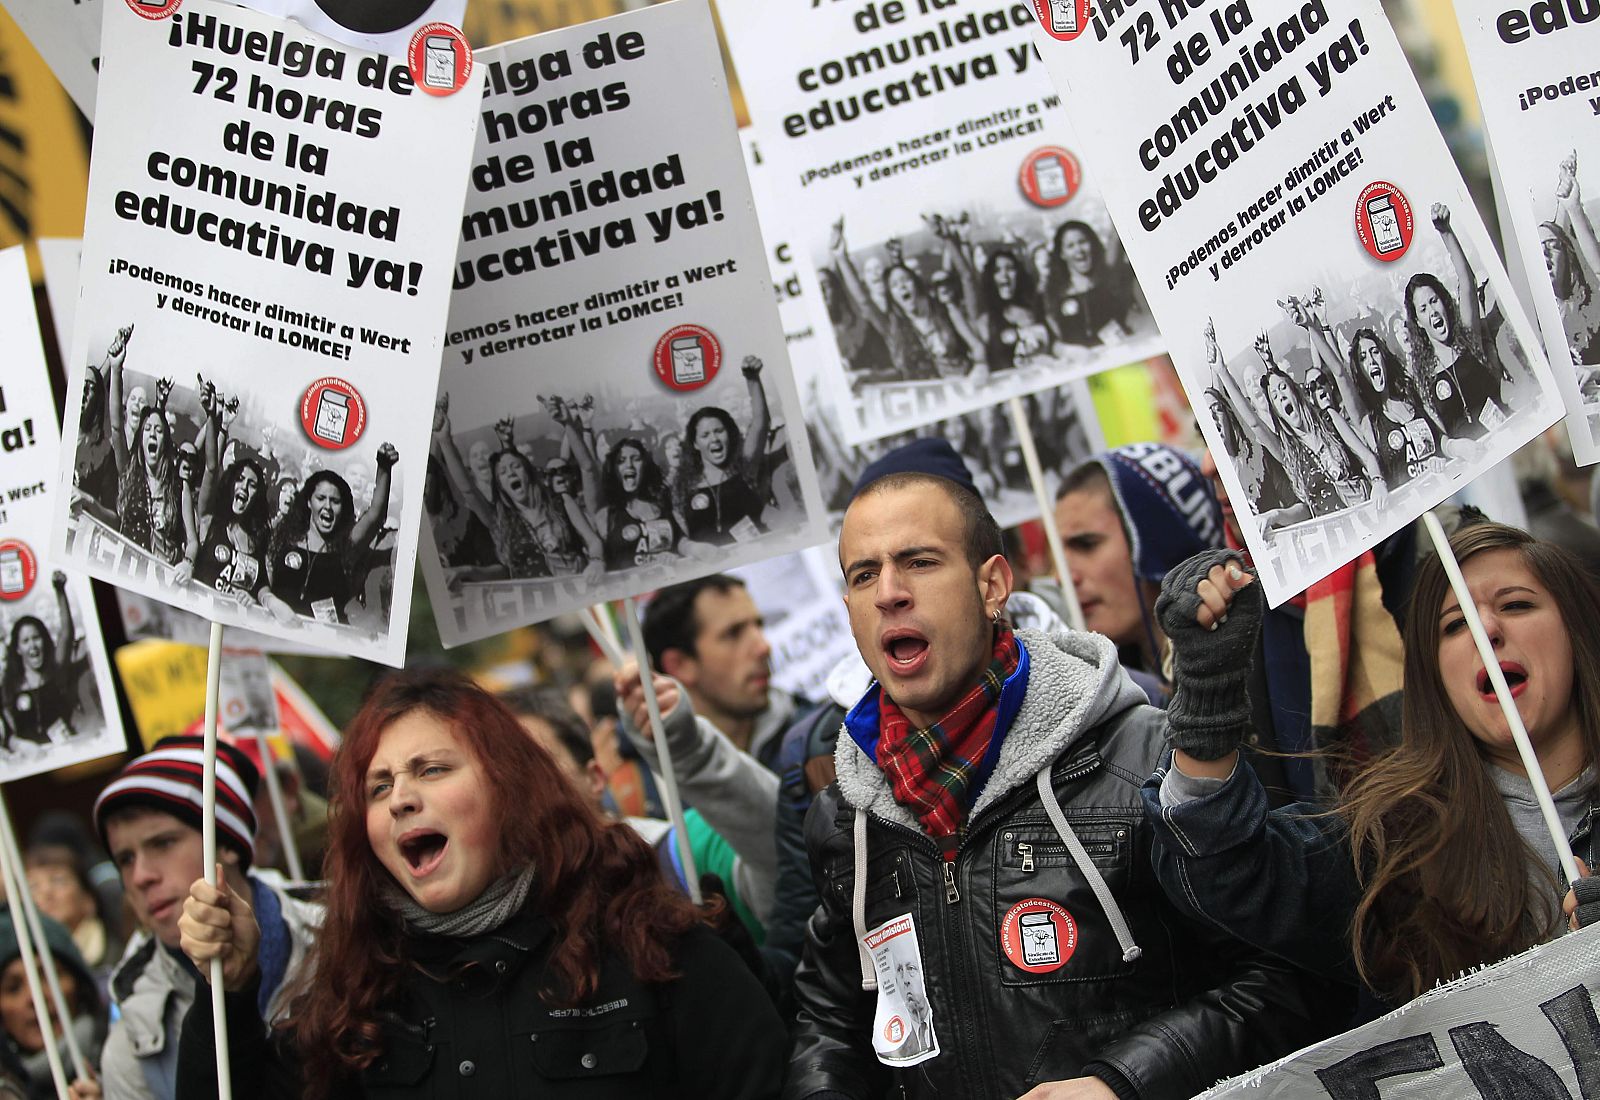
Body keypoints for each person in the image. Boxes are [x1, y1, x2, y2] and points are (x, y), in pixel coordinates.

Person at [786, 463, 1321, 1099]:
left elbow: (1286, 976)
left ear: (993, 585)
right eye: (863, 574)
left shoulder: (1144, 759)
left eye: (920, 562)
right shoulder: (847, 818)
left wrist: (1123, 1083)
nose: (889, 594)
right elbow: (829, 1019)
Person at [173, 669, 787, 1098]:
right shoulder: (355, 1000)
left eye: (432, 770)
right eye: (378, 787)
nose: (401, 800)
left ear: (509, 788)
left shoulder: (650, 942)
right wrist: (227, 993)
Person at [1143, 525, 1600, 1010]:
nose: (1487, 631)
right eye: (1455, 624)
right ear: (1435, 675)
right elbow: (1230, 873)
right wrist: (1207, 705)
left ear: (1577, 630)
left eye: (1515, 605)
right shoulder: (1395, 841)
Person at [94, 737, 320, 1100]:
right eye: (125, 859)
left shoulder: (344, 936)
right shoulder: (132, 1044)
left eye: (162, 843)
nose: (140, 876)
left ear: (228, 843)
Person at [1054, 444, 1225, 704]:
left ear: (1158, 541)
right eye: (1057, 552)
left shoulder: (1247, 658)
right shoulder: (1101, 697)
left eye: (1086, 544)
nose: (1062, 577)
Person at [640, 574, 798, 768]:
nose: (763, 647)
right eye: (733, 633)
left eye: (758, 625)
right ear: (680, 665)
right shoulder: (650, 784)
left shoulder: (817, 742)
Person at [264, 447, 397, 625]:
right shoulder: (285, 536)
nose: (327, 506)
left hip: (325, 640)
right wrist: (270, 601)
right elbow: (264, 583)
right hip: (277, 629)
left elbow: (375, 515)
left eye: (335, 501)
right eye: (321, 498)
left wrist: (384, 468)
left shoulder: (346, 544)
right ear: (309, 502)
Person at [1406, 203, 1506, 439]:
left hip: (1503, 436)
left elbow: (1466, 281)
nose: (1431, 310)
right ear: (1418, 321)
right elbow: (1441, 434)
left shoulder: (1467, 338)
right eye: (1422, 308)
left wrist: (1446, 232)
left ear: (1444, 302)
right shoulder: (1422, 372)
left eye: (1434, 301)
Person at [0, 912, 104, 1100]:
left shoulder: (126, 1055)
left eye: (48, 975)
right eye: (13, 988)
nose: (35, 997)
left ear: (79, 985)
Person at [677, 359, 773, 545]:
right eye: (705, 435)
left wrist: (752, 379)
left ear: (729, 434)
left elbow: (760, 423)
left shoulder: (744, 468)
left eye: (719, 431)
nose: (714, 439)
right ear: (695, 444)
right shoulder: (684, 485)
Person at [1, 574, 80, 751]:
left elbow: (67, 635)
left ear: (44, 640)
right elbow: (9, 734)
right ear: (18, 649)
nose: (33, 645)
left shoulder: (56, 673)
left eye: (36, 638)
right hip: (31, 759)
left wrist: (60, 591)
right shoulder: (10, 687)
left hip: (65, 750)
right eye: (26, 641)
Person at [25, 846, 124, 983]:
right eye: (33, 886)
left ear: (88, 899)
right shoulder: (30, 971)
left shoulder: (123, 953)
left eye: (58, 880)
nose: (46, 892)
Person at [1043, 220, 1137, 347]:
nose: (1079, 250)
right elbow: (1056, 340)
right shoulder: (1055, 296)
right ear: (1062, 254)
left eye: (1082, 242)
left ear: (1092, 244)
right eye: (1070, 246)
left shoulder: (1110, 282)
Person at [1548, 151, 1600, 374]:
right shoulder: (1544, 317)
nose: (1545, 256)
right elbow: (1555, 238)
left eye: (1550, 248)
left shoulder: (1591, 299)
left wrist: (1573, 209)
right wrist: (1568, 203)